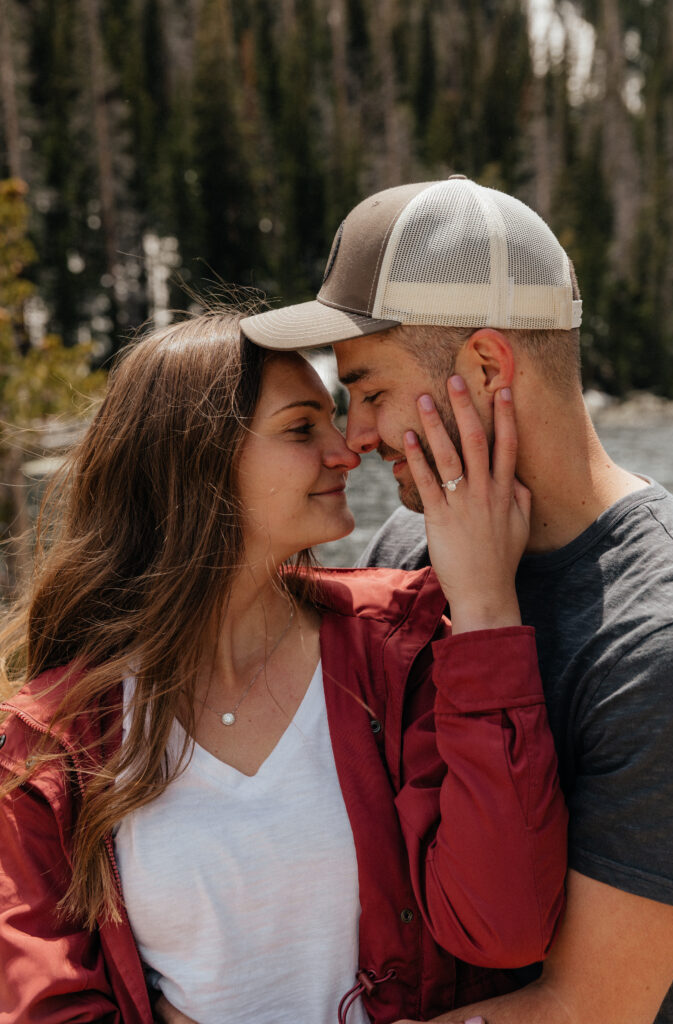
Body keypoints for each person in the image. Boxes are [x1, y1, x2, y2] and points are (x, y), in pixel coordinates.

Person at [0, 310, 567, 1024]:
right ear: (197, 461)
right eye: (303, 429)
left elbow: (506, 924)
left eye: (334, 419)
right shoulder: (56, 735)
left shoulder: (400, 649)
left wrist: (485, 605)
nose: (346, 450)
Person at [240, 175, 673, 1024]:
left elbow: (584, 1008)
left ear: (486, 368)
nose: (354, 439)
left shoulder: (658, 637)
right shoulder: (409, 548)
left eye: (369, 393)